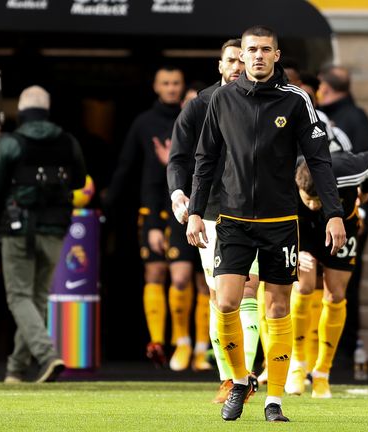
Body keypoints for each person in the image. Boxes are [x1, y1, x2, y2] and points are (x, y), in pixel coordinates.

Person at [186, 26, 346, 422]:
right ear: (240, 55)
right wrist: (194, 210)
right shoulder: (221, 99)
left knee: (276, 309)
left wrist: (334, 212)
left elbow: (320, 160)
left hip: (279, 222)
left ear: (277, 55)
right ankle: (240, 380)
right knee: (225, 302)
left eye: (265, 50)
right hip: (232, 220)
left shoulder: (297, 101)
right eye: (250, 50)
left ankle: (274, 399)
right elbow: (204, 159)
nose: (257, 56)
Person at [168, 39, 262, 401]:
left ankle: (247, 376)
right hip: (208, 211)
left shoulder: (263, 101)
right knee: (218, 295)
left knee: (249, 287)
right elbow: (178, 158)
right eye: (231, 60)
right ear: (220, 65)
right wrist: (179, 194)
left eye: (243, 59)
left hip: (252, 209)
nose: (238, 65)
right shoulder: (199, 105)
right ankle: (228, 376)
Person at [0, 85, 87, 383]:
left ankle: (47, 354)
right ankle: (15, 370)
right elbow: (78, 180)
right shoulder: (68, 142)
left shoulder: (11, 143)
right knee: (37, 297)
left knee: (19, 296)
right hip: (55, 229)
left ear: (22, 112)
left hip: (18, 229)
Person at [107, 66, 200, 370]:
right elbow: (126, 167)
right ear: (156, 87)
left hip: (192, 208)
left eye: (177, 83)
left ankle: (197, 347)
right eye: (166, 83)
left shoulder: (196, 119)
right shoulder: (144, 123)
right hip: (156, 209)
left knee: (195, 279)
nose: (172, 88)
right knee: (159, 273)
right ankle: (159, 343)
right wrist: (107, 205)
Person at [286, 150, 368, 398]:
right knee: (303, 285)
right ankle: (297, 364)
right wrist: (294, 251)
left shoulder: (348, 169)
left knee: (336, 295)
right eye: (309, 200)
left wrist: (366, 192)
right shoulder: (285, 175)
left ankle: (322, 372)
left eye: (319, 200)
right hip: (303, 230)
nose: (315, 205)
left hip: (343, 227)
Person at [318, 65, 368, 362]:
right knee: (334, 284)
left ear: (325, 87)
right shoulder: (350, 116)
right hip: (331, 212)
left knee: (343, 284)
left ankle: (342, 350)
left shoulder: (351, 119)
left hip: (348, 213)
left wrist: (366, 201)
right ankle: (328, 350)